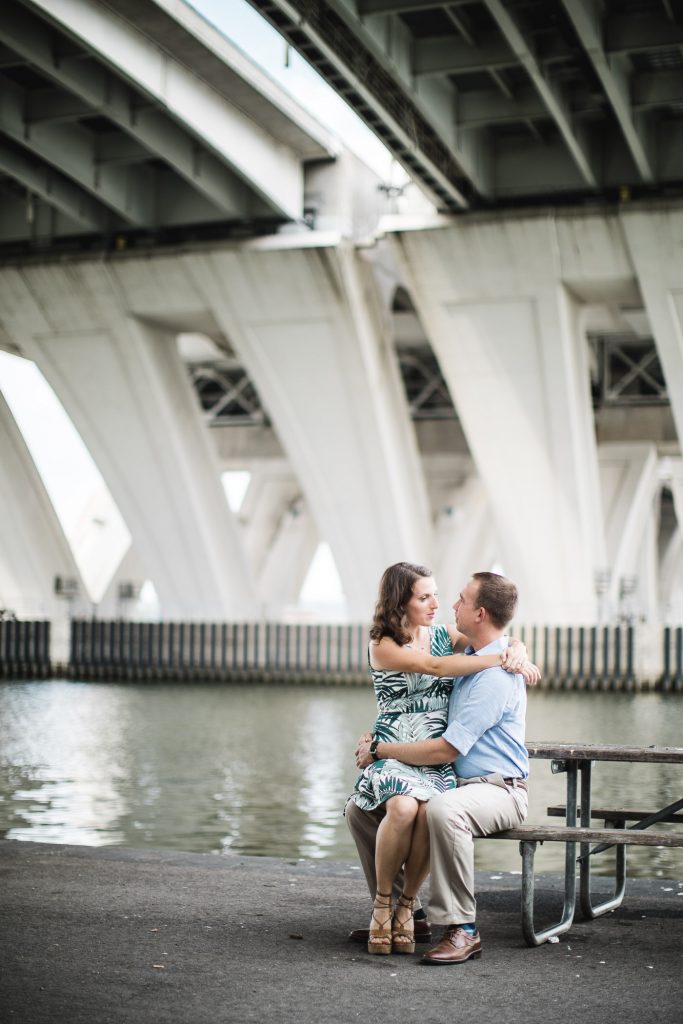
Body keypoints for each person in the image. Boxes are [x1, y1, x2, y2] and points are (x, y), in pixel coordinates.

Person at [347, 562, 537, 956]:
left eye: (458, 599)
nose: (445, 603)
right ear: (402, 601)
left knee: (438, 810)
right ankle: (402, 912)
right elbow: (434, 669)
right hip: (437, 769)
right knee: (357, 810)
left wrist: (510, 653)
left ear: (479, 613)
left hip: (489, 784)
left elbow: (445, 748)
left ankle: (460, 927)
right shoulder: (464, 653)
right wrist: (506, 651)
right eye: (426, 596)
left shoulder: (487, 671)